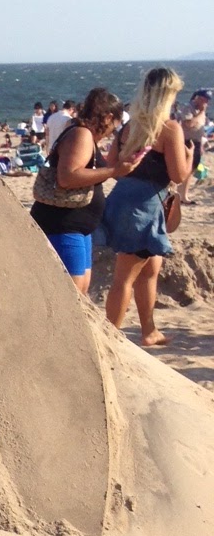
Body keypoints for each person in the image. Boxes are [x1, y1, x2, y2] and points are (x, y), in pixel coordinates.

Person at [102, 68, 194, 347]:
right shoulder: (168, 128)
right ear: (167, 96)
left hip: (121, 199)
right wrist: (189, 158)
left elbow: (113, 168)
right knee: (124, 277)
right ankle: (109, 340)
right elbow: (178, 175)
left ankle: (148, 331)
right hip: (144, 208)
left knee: (150, 269)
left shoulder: (129, 127)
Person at [29, 87, 129, 294]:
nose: (113, 131)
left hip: (77, 226)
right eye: (115, 126)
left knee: (80, 292)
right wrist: (112, 171)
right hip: (63, 224)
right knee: (71, 294)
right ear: (109, 117)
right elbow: (67, 177)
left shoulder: (84, 134)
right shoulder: (81, 134)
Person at [178, 88, 209, 204]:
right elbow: (189, 124)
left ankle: (183, 195)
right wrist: (201, 112)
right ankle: (177, 193)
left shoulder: (202, 110)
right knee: (185, 167)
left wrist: (202, 143)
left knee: (192, 168)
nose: (206, 102)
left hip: (197, 141)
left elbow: (201, 127)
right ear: (198, 98)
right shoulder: (188, 108)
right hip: (187, 140)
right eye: (204, 99)